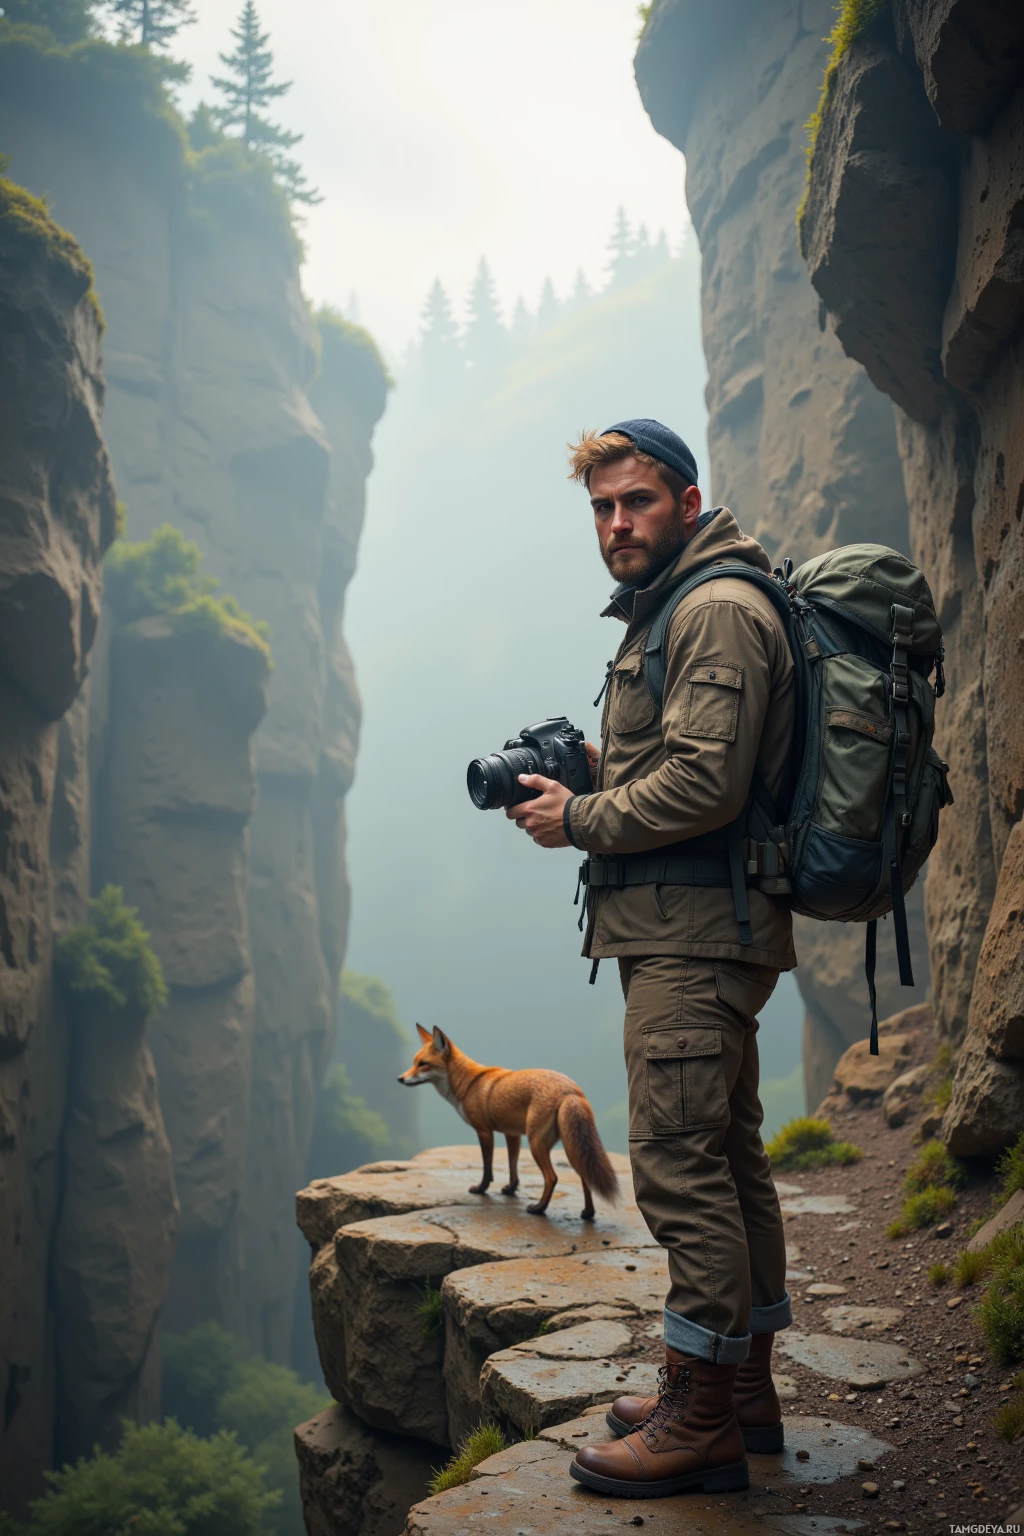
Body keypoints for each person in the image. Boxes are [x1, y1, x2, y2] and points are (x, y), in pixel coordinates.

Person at [506, 419, 796, 1499]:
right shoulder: (682, 603)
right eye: (600, 507)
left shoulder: (714, 606)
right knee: (726, 1157)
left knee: (678, 1171)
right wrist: (596, 765)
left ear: (684, 498)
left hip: (692, 937)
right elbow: (686, 761)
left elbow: (705, 789)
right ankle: (741, 1387)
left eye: (634, 501)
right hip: (693, 929)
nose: (616, 523)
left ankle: (699, 1420)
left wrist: (579, 815)